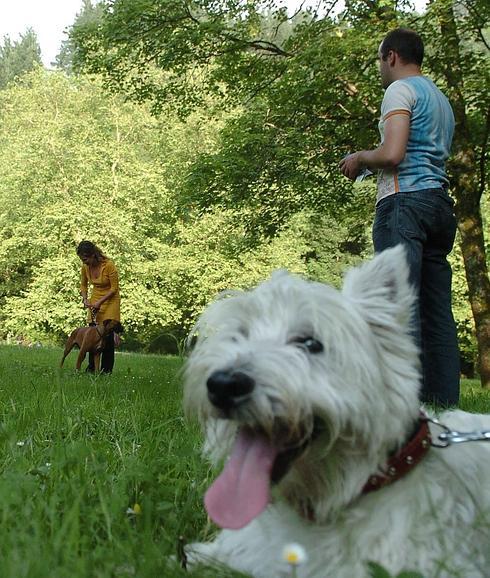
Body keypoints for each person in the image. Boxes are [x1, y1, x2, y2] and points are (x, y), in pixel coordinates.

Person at [339, 28, 459, 406]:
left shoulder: (399, 91)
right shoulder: (441, 100)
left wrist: (359, 159)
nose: (380, 68)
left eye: (379, 60)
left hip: (404, 203)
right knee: (437, 311)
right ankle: (441, 406)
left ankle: (401, 407)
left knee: (398, 305)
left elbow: (392, 154)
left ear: (391, 56)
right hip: (439, 206)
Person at [76, 240, 121, 373]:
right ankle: (91, 369)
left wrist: (100, 302)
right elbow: (83, 285)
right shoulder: (85, 267)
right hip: (95, 298)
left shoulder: (109, 265)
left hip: (111, 300)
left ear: (93, 255)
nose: (84, 262)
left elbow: (114, 289)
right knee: (93, 334)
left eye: (85, 259)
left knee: (107, 335)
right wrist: (85, 299)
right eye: (82, 259)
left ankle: (106, 371)